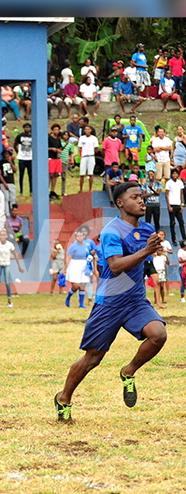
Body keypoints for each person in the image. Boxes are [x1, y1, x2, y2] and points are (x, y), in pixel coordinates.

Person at [55, 182, 167, 423]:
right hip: (110, 302)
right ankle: (63, 397)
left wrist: (153, 254)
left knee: (158, 334)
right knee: (93, 358)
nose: (141, 201)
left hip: (135, 300)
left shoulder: (147, 228)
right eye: (135, 197)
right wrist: (146, 251)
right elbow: (115, 267)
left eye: (142, 197)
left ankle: (128, 371)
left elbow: (142, 259)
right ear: (120, 203)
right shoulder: (110, 231)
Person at [0, 229, 25, 308]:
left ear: (7, 236)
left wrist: (19, 266)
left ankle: (9, 301)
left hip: (6, 264)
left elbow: (15, 255)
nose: (3, 236)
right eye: (1, 235)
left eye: (4, 235)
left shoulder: (10, 244)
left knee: (7, 282)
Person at [64, 227, 94, 309]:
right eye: (78, 236)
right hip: (75, 265)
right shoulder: (73, 246)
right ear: (76, 237)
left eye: (81, 236)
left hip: (84, 265)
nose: (80, 238)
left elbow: (90, 255)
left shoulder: (86, 246)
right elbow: (68, 257)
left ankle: (81, 304)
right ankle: (68, 297)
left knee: (82, 285)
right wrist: (66, 268)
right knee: (75, 286)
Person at [165, 168, 185, 244]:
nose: (175, 175)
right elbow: (167, 195)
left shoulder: (180, 183)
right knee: (172, 223)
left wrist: (182, 204)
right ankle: (174, 240)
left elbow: (182, 194)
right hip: (172, 205)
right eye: (173, 174)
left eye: (176, 173)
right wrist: (169, 206)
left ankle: (184, 238)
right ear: (171, 175)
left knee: (181, 222)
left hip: (178, 205)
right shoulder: (169, 183)